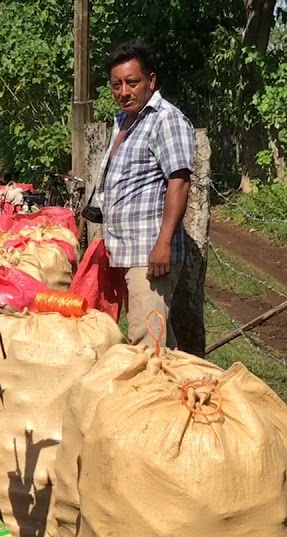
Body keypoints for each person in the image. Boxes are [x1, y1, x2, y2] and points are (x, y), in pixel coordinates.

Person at [94, 43, 195, 349]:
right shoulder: (124, 120)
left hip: (149, 255)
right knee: (157, 338)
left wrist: (162, 245)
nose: (124, 91)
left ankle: (154, 396)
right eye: (117, 84)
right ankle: (187, 391)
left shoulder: (166, 119)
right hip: (127, 250)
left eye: (132, 82)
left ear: (151, 82)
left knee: (146, 344)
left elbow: (179, 181)